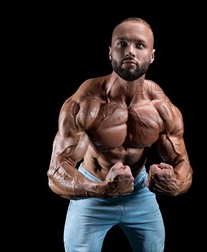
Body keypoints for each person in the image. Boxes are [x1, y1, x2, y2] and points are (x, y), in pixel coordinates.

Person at [46, 17, 193, 252]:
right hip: (91, 192)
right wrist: (102, 189)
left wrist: (174, 183)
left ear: (152, 55)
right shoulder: (86, 102)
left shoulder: (161, 107)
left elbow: (182, 164)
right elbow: (55, 173)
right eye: (122, 44)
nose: (130, 51)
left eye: (139, 45)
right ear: (110, 52)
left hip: (140, 193)